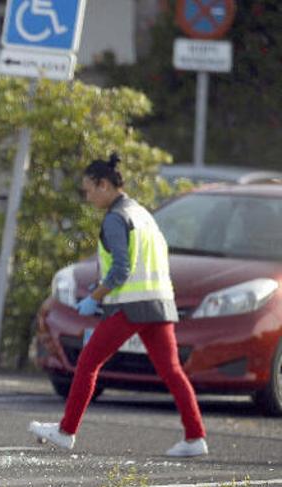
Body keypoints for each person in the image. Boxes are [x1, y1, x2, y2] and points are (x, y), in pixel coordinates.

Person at [28, 153, 208, 457]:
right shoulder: (142, 214)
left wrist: (93, 298)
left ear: (103, 185)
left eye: (88, 190)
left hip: (130, 305)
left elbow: (121, 270)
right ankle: (195, 437)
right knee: (172, 371)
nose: (87, 197)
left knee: (87, 363)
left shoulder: (115, 218)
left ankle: (65, 431)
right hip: (159, 303)